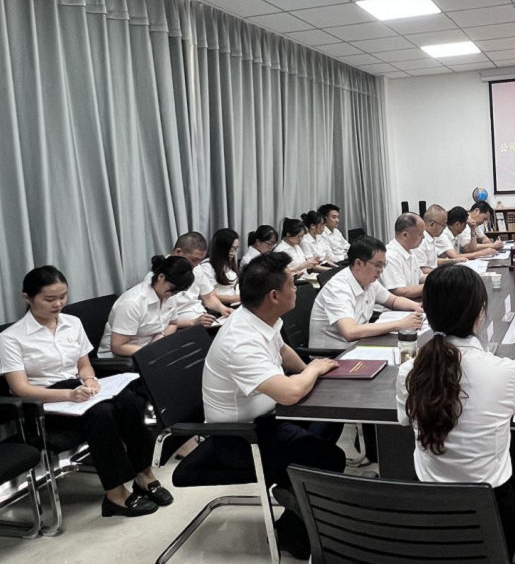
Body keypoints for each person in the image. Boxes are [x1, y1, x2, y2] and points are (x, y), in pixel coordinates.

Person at [202, 252, 346, 559]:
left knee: (331, 419)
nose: (297, 289)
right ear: (274, 295)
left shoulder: (261, 317)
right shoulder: (240, 340)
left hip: (269, 417)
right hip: (241, 438)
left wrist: (309, 369)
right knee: (329, 458)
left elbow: (282, 351)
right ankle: (294, 531)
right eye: (292, 284)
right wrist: (313, 371)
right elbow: (291, 393)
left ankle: (298, 491)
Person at [397, 264, 515, 552]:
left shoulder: (409, 371)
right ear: (480, 314)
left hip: (427, 517)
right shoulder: (505, 371)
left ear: (426, 312)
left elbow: (405, 421)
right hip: (493, 517)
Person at [1, 267, 172, 517]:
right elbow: (20, 388)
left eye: (63, 296)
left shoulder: (72, 323)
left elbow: (83, 365)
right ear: (27, 298)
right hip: (43, 405)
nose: (58, 304)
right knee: (102, 413)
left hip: (77, 390)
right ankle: (115, 494)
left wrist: (90, 380)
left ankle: (144, 475)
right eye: (49, 299)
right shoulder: (11, 338)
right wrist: (69, 396)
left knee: (129, 402)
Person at [309, 236, 424, 350]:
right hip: (334, 354)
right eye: (377, 265)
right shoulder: (338, 288)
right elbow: (350, 332)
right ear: (358, 263)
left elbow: (393, 300)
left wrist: (419, 307)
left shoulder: (368, 281)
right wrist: (399, 324)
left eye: (383, 265)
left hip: (361, 344)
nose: (381, 270)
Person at [98, 255, 194, 357]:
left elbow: (173, 323)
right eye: (172, 289)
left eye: (177, 292)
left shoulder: (169, 295)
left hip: (150, 349)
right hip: (122, 357)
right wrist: (151, 352)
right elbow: (118, 346)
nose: (173, 294)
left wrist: (160, 337)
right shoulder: (132, 303)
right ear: (161, 277)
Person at [160, 232, 234, 328]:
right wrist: (192, 322)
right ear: (178, 252)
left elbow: (208, 297)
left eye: (200, 261)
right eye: (194, 260)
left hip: (203, 318)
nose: (196, 264)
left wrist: (222, 309)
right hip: (182, 325)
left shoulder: (197, 269)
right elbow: (162, 322)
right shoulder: (161, 276)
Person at [381, 213, 426, 300]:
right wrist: (433, 286)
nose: (423, 237)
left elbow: (420, 278)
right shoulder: (390, 256)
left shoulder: (409, 251)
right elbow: (399, 292)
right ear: (405, 235)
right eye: (420, 234)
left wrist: (441, 278)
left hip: (411, 301)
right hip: (394, 307)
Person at [198, 228, 240, 306]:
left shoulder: (229, 263)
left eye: (235, 249)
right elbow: (209, 295)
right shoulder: (207, 267)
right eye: (230, 249)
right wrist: (237, 298)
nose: (233, 253)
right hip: (218, 306)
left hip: (234, 302)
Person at [415, 204, 459, 274]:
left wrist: (454, 261)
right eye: (443, 225)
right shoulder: (421, 241)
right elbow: (421, 270)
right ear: (432, 224)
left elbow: (432, 262)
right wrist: (443, 273)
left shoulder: (431, 237)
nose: (444, 228)